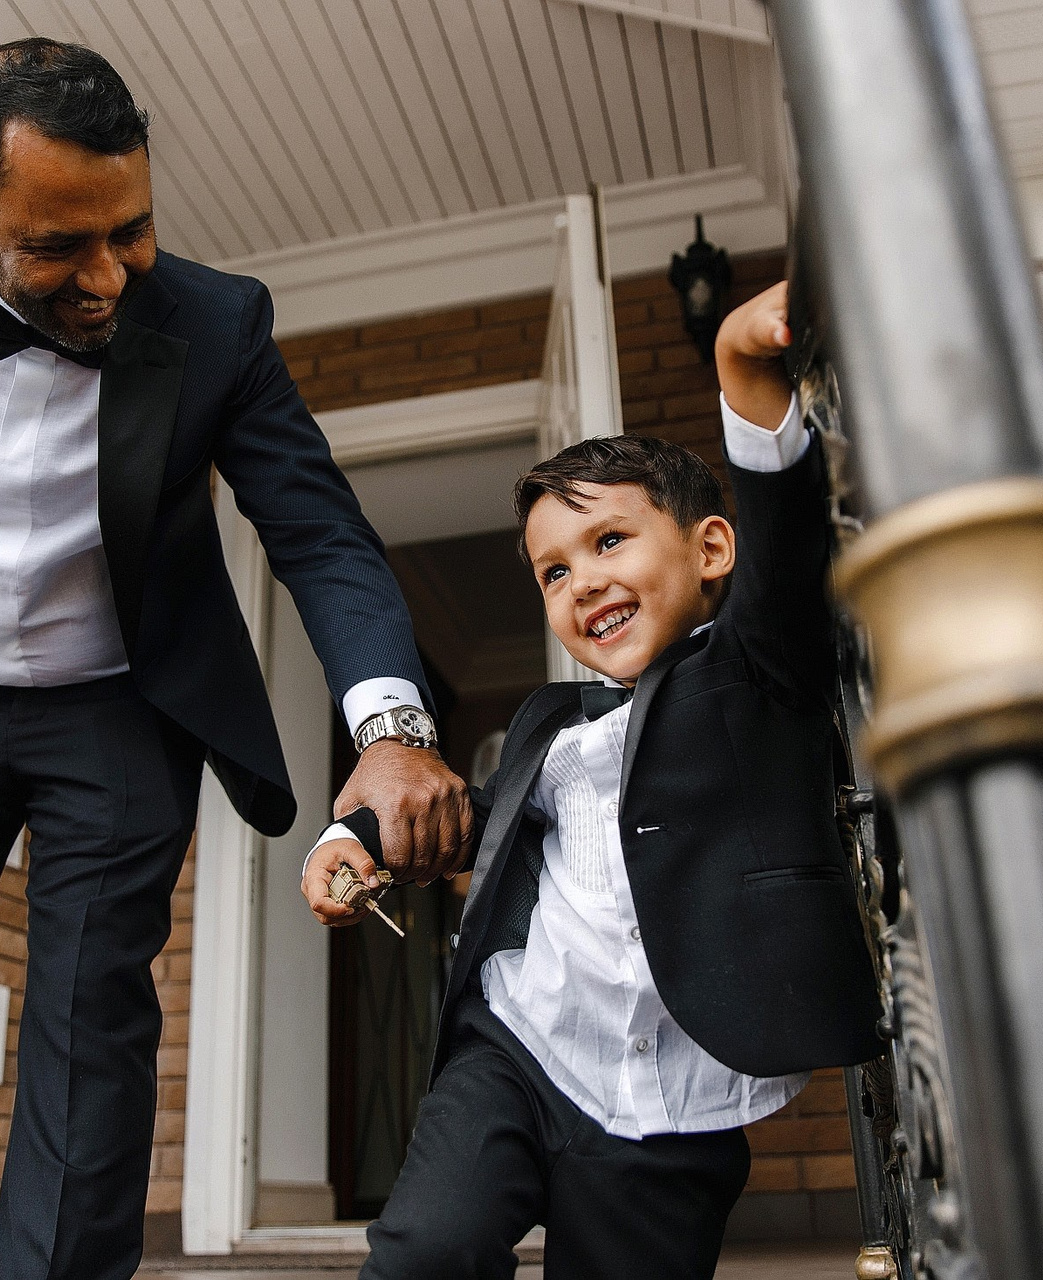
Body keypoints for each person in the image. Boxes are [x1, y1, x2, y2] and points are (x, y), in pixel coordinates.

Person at [0, 38, 470, 1280]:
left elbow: (319, 531)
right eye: (62, 245)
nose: (111, 275)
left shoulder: (219, 321)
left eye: (134, 229)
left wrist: (392, 732)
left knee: (91, 1036)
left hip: (118, 710)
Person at [305, 280, 884, 1279]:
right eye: (554, 572)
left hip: (679, 1103)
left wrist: (743, 373)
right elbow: (466, 816)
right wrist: (351, 839)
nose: (583, 582)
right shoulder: (552, 724)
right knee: (424, 1252)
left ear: (710, 549)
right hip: (519, 1046)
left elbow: (790, 559)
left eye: (609, 541)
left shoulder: (756, 673)